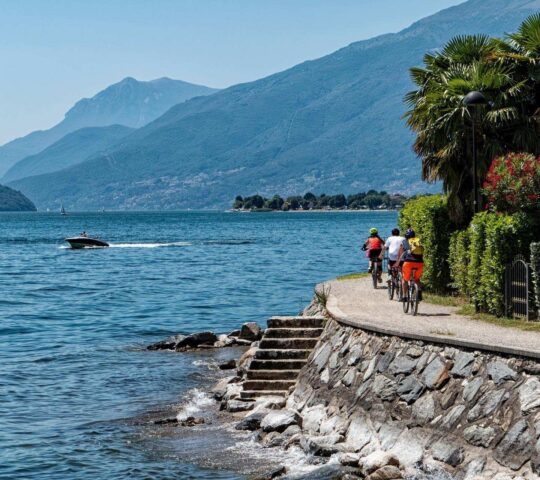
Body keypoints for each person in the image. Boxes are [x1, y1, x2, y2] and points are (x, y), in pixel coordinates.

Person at [397, 228, 424, 301]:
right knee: (417, 279)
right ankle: (419, 291)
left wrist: (398, 263)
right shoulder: (418, 241)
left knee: (405, 280)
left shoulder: (405, 242)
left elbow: (401, 254)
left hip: (408, 263)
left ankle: (405, 296)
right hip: (420, 263)